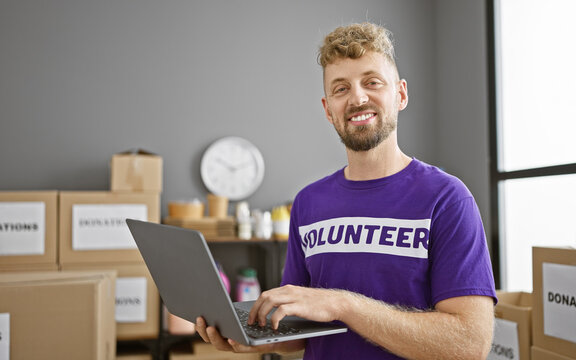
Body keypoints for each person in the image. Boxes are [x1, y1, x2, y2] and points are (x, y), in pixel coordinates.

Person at [196, 22, 497, 360]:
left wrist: (342, 304)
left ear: (400, 94)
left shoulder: (448, 199)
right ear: (328, 109)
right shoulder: (309, 203)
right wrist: (245, 335)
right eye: (341, 89)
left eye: (372, 82)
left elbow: (469, 346)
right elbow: (301, 332)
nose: (357, 97)